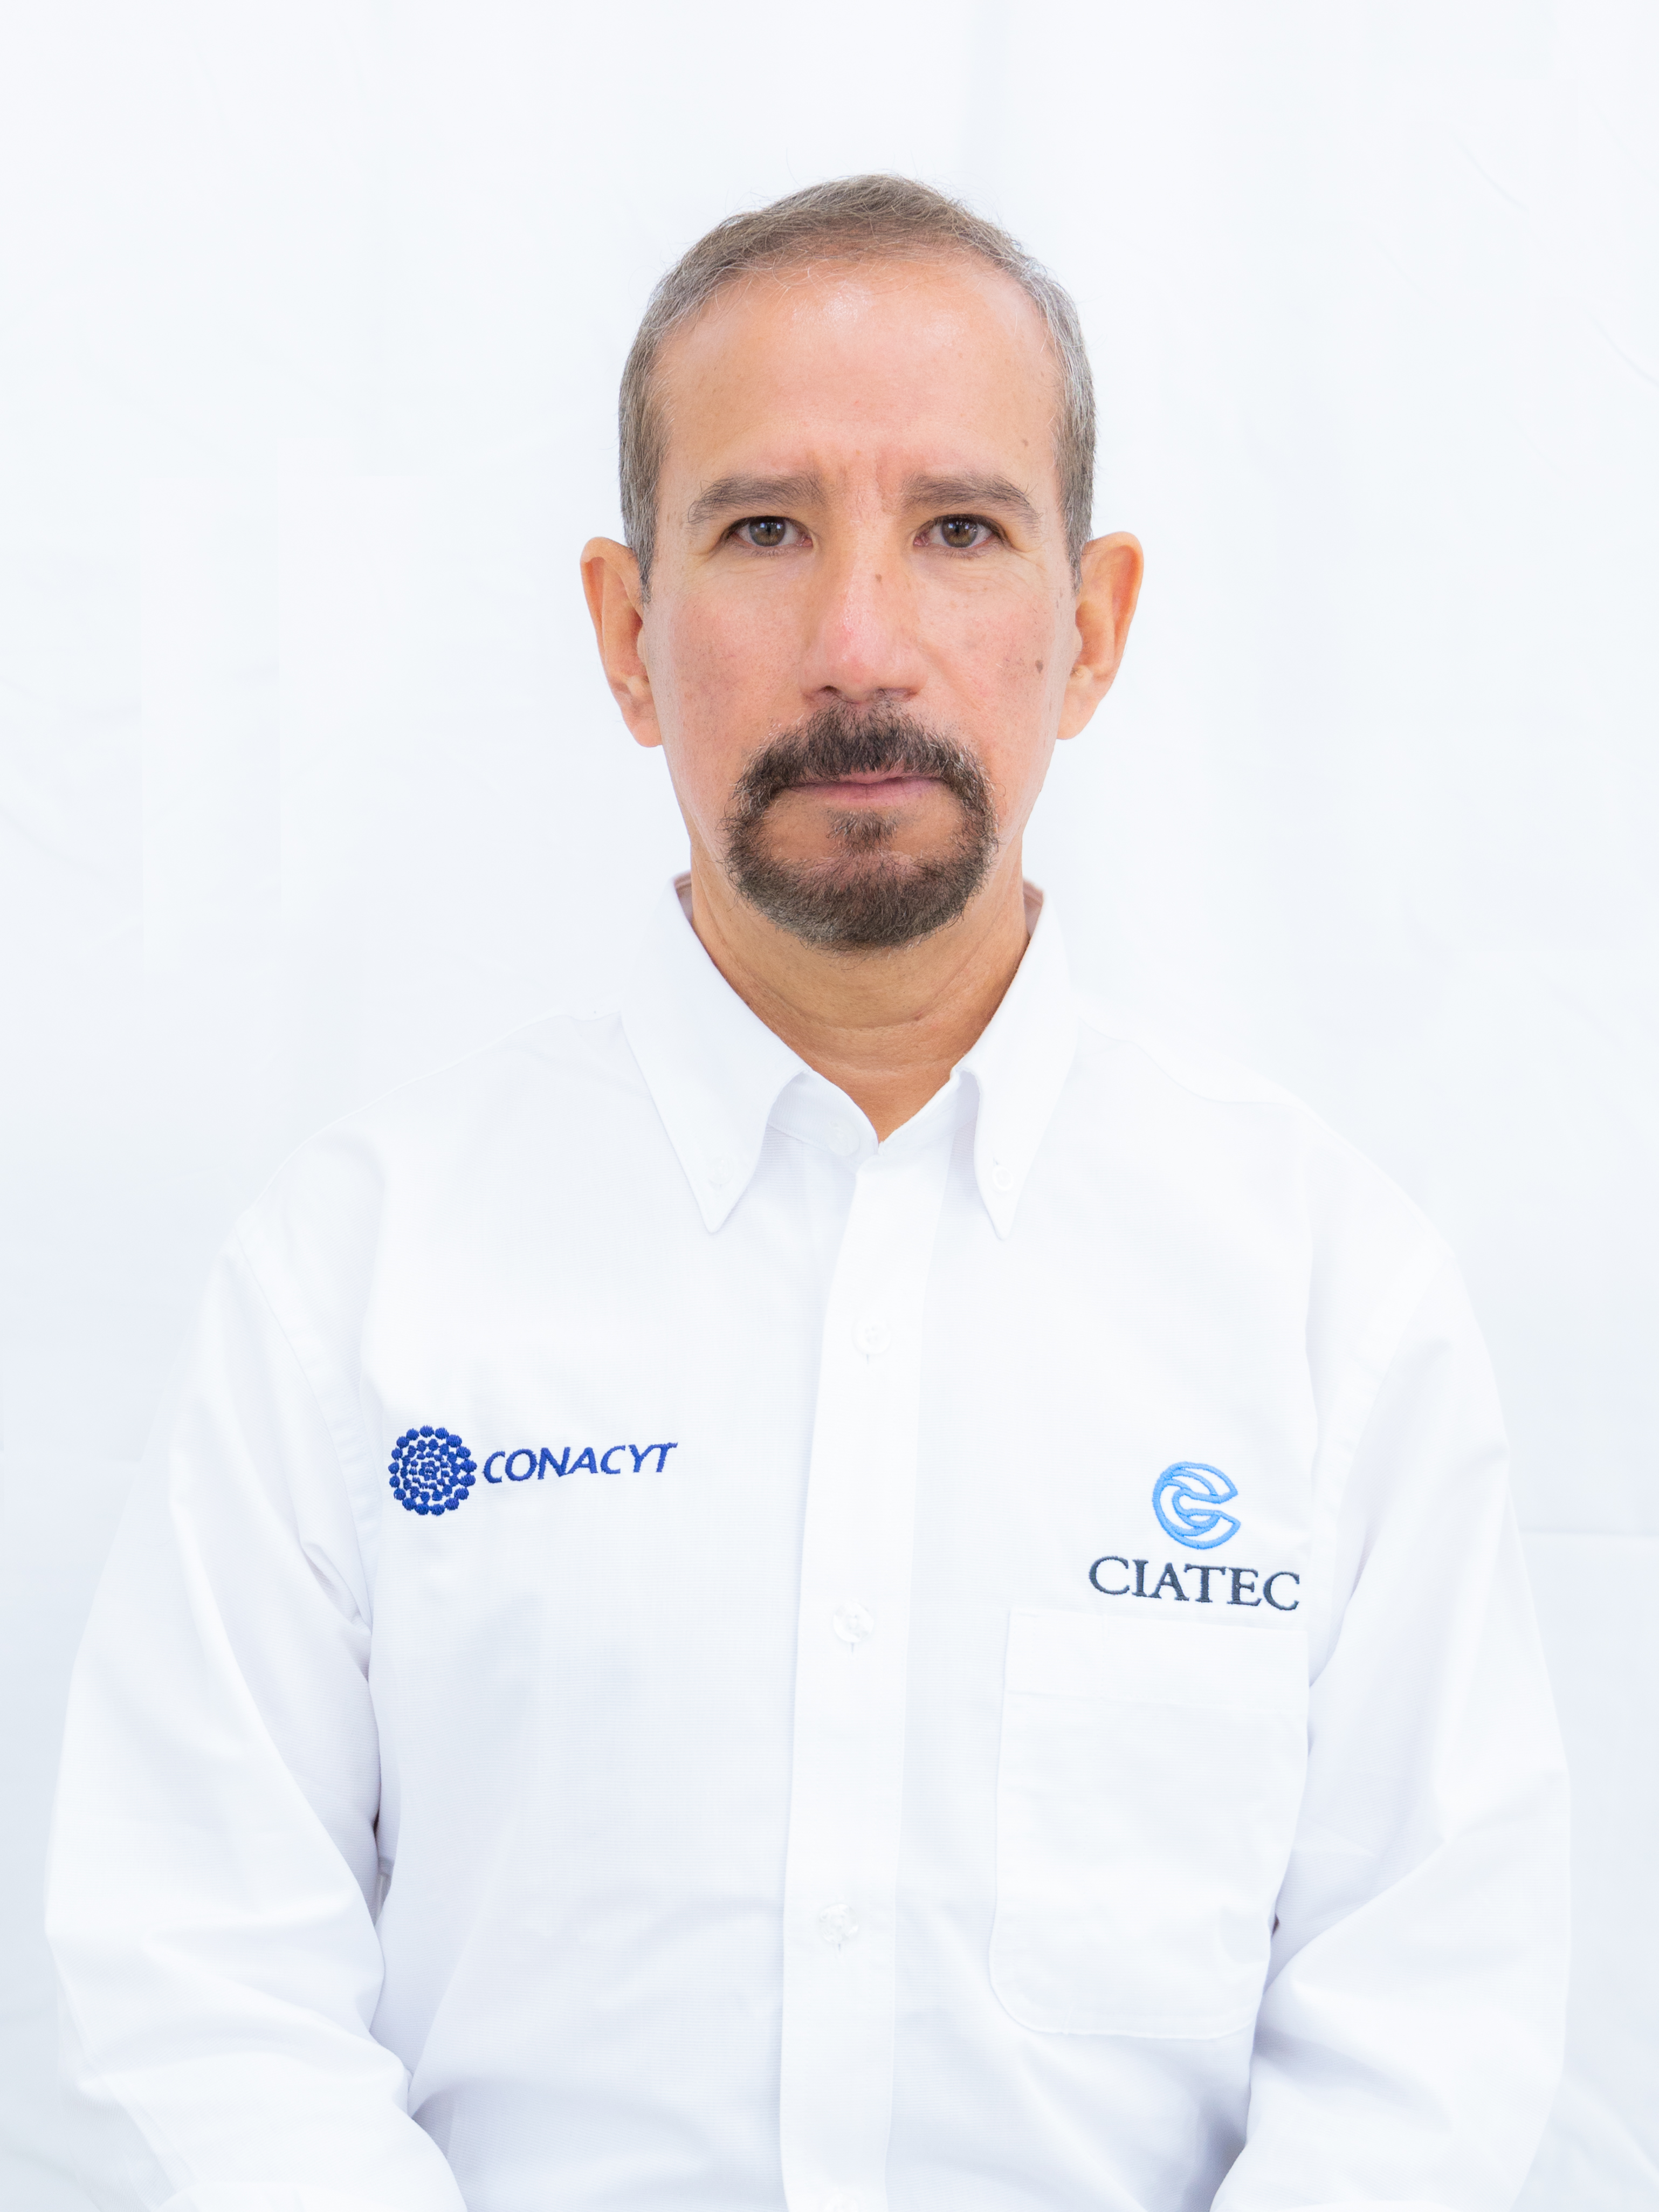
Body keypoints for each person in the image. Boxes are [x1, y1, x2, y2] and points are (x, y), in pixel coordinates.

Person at [47, 175, 1568, 2212]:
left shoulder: (1324, 1296)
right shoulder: (358, 1275)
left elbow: (1427, 2034)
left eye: (961, 531)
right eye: (764, 530)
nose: (863, 647)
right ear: (628, 634)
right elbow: (205, 1979)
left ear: (1095, 627)